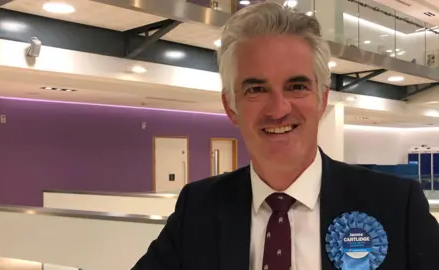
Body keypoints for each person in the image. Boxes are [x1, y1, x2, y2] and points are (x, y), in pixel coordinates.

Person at [132, 2, 439, 270]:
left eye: (296, 86)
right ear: (231, 106)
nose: (278, 109)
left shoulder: (396, 205)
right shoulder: (198, 209)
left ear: (321, 99)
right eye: (256, 89)